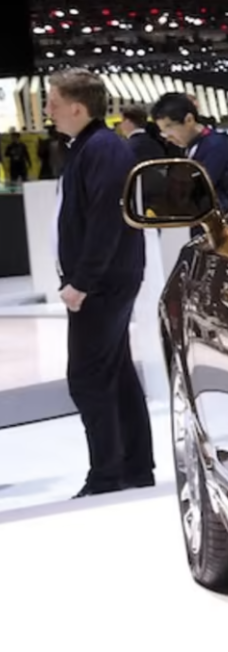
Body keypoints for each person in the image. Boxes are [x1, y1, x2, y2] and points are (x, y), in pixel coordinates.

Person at [45, 69, 156, 497]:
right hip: (105, 280)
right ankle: (134, 468)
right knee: (115, 373)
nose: (48, 110)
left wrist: (82, 281)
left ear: (77, 107)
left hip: (102, 283)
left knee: (88, 378)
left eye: (54, 102)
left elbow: (106, 221)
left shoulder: (102, 148)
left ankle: (107, 475)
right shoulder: (90, 147)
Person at [151, 91, 228, 199]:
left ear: (189, 120)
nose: (167, 137)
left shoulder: (215, 145)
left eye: (169, 128)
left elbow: (196, 190)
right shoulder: (189, 145)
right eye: (163, 131)